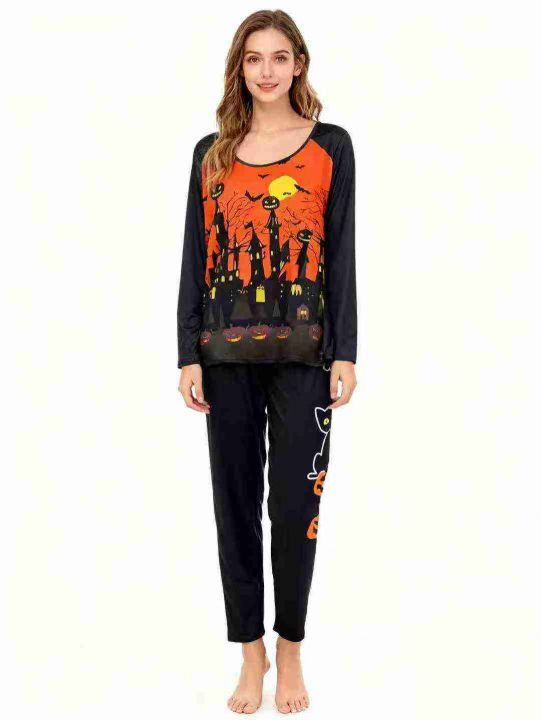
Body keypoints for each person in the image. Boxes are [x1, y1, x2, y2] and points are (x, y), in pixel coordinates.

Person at [176, 9, 358, 714]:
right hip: (222, 356)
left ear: (299, 64)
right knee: (234, 506)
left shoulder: (331, 146)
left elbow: (339, 253)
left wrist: (345, 350)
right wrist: (186, 351)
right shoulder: (211, 154)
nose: (267, 70)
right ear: (239, 68)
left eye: (280, 57)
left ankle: (291, 649)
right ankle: (249, 651)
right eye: (254, 58)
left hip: (305, 355)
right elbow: (195, 258)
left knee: (294, 505)